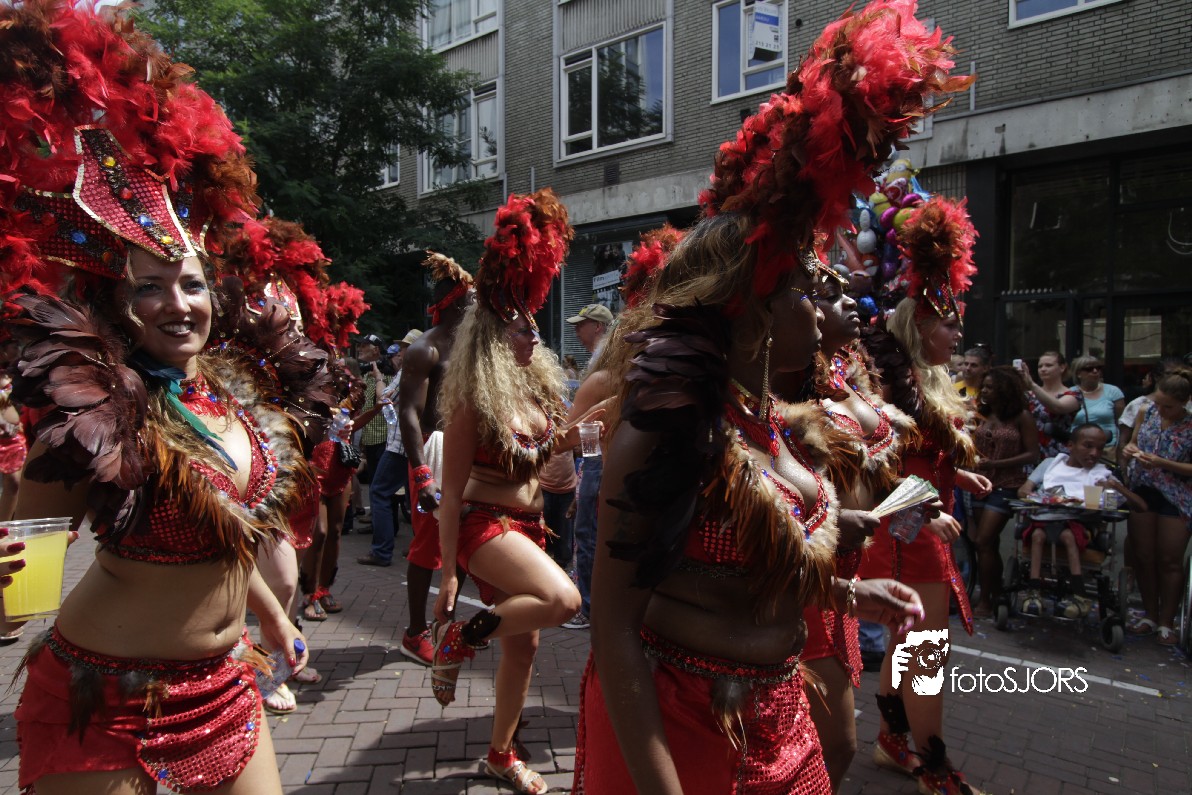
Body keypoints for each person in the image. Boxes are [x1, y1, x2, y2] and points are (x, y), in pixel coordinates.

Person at [576, 4, 971, 791]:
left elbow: (756, 568)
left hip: (783, 718)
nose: (826, 306)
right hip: (685, 721)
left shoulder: (780, 425)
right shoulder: (668, 430)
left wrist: (849, 588)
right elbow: (614, 628)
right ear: (750, 303)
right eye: (804, 287)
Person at [0, 6, 338, 789]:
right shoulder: (94, 412)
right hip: (106, 700)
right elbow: (21, 583)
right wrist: (12, 583)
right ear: (115, 304)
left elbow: (224, 531)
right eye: (148, 287)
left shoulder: (229, 395)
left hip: (225, 684)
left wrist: (272, 615)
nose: (178, 304)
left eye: (190, 283)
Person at [430, 189, 588, 795]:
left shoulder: (533, 392)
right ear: (495, 338)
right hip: (483, 525)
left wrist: (582, 434)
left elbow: (537, 455)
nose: (532, 340)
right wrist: (448, 573)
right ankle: (459, 637)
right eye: (522, 331)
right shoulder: (473, 396)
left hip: (528, 525)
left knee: (525, 648)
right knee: (563, 599)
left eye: (534, 330)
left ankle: (501, 754)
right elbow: (449, 495)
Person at [858, 197, 993, 795]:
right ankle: (934, 768)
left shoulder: (928, 380)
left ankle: (893, 741)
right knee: (926, 650)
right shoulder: (888, 385)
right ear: (918, 327)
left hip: (922, 523)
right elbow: (877, 463)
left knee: (909, 642)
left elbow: (922, 454)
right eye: (949, 324)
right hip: (906, 531)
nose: (958, 334)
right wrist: (925, 505)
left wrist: (954, 478)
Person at [797, 265, 918, 791]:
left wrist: (923, 506)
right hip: (814, 563)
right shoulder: (790, 380)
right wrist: (828, 523)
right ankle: (921, 751)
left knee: (922, 642)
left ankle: (904, 738)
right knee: (834, 741)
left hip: (879, 547)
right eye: (830, 293)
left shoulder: (852, 375)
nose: (850, 301)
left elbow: (886, 470)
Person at [397, 252, 474, 664]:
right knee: (429, 546)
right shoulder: (424, 349)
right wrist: (422, 474)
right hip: (435, 451)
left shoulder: (473, 348)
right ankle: (414, 633)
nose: (478, 307)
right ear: (455, 302)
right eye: (472, 300)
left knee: (462, 544)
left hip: (467, 451)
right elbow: (408, 413)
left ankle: (445, 624)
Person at [1016, 424, 1145, 618]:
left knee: (1068, 535)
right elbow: (1023, 491)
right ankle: (1033, 591)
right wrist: (1038, 497)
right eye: (1088, 446)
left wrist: (1116, 487)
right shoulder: (1051, 464)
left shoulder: (1101, 474)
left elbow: (1140, 506)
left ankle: (1080, 595)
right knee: (1038, 535)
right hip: (1046, 520)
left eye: (1100, 448)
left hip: (1082, 525)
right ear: (1070, 445)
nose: (1095, 453)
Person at [1121, 367, 1192, 645]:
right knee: (1143, 555)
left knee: (1169, 560)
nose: (1161, 410)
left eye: (1168, 407)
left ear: (1184, 403)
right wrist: (1130, 450)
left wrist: (1163, 463)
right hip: (1144, 488)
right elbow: (1133, 443)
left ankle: (1167, 621)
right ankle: (1150, 615)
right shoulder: (1146, 412)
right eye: (1158, 403)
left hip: (1176, 494)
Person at [969, 366, 1039, 618]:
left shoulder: (1021, 417)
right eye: (984, 386)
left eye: (990, 387)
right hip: (979, 483)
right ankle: (996, 593)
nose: (985, 391)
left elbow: (1033, 454)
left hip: (1007, 484)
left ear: (1004, 389)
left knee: (983, 540)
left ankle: (986, 601)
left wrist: (997, 464)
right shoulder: (981, 414)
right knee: (987, 545)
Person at [359, 332, 423, 567]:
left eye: (405, 348)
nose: (400, 352)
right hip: (418, 444)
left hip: (400, 444)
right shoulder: (431, 372)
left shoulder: (409, 372)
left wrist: (378, 379)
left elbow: (384, 398)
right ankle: (420, 546)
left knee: (379, 491)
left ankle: (382, 551)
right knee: (416, 497)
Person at [1017, 351, 1082, 459]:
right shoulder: (1028, 395)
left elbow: (1057, 407)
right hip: (1031, 452)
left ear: (1062, 367)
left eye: (1048, 365)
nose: (1043, 369)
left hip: (1058, 452)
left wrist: (1032, 384)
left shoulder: (1074, 394)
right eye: (1040, 366)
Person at [1070, 355, 1125, 457]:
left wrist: (1120, 447)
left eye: (1098, 368)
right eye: (1089, 369)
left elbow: (1121, 422)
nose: (1095, 371)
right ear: (1078, 374)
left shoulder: (1113, 391)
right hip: (1079, 449)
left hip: (1107, 447)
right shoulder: (1070, 394)